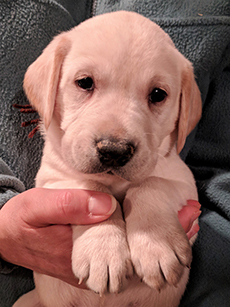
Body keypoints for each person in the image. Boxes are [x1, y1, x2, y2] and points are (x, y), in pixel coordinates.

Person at [0, 0, 229, 306]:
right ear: (49, 88)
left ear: (182, 110)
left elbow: (211, 174)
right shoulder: (59, 159)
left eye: (157, 95)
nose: (116, 142)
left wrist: (153, 203)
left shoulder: (164, 160)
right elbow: (55, 188)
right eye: (85, 83)